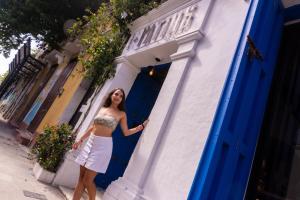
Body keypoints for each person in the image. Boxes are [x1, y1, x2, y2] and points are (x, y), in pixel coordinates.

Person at [72, 88, 148, 200]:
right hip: (90, 143)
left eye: (121, 96)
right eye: (116, 94)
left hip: (103, 147)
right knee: (80, 179)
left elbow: (126, 132)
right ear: (112, 95)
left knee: (87, 180)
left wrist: (140, 127)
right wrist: (80, 140)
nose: (118, 97)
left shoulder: (121, 114)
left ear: (122, 100)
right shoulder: (102, 109)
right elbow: (93, 127)